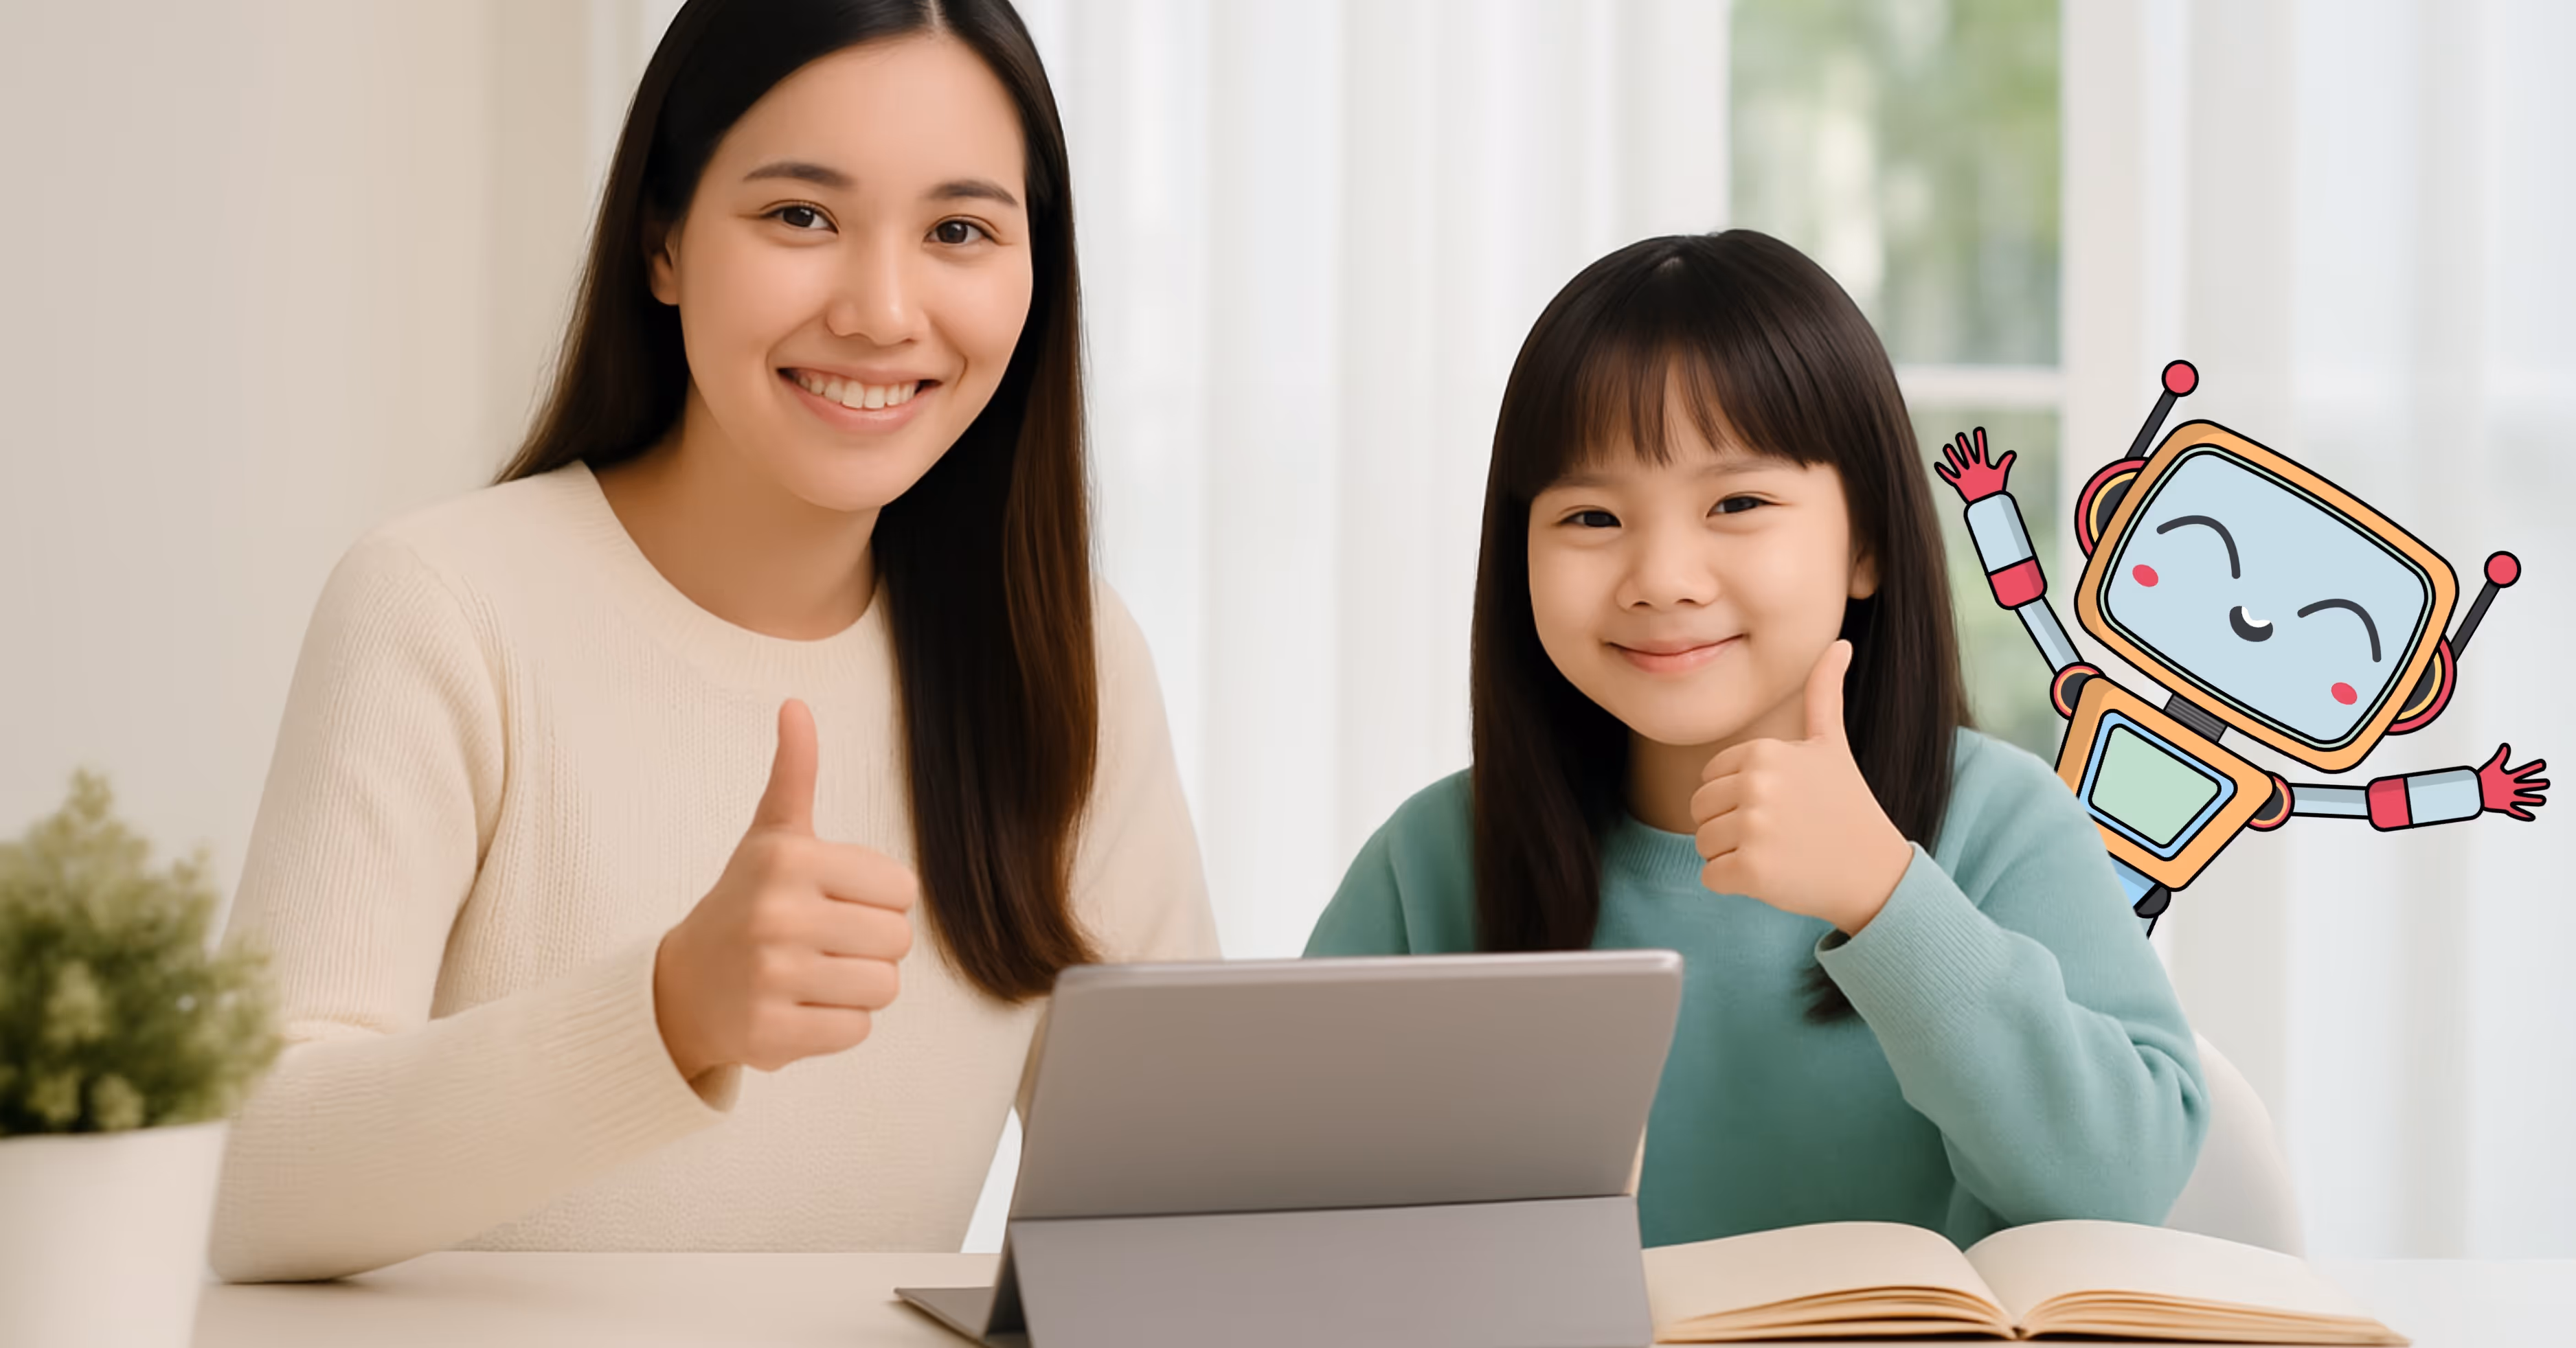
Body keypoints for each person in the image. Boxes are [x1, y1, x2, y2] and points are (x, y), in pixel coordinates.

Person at [211, 0, 1215, 1283]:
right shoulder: (441, 605)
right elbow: (249, 1174)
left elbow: (1180, 1196)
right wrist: (669, 1010)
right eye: (801, 216)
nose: (882, 310)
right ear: (663, 240)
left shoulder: (1065, 653)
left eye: (960, 230)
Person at [1304, 229, 2208, 1250]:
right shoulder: (1430, 861)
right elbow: (1287, 1205)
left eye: (1736, 503)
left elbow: (2123, 1181)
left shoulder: (2000, 823)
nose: (1662, 576)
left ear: (1864, 541)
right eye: (1592, 517)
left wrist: (1883, 895)